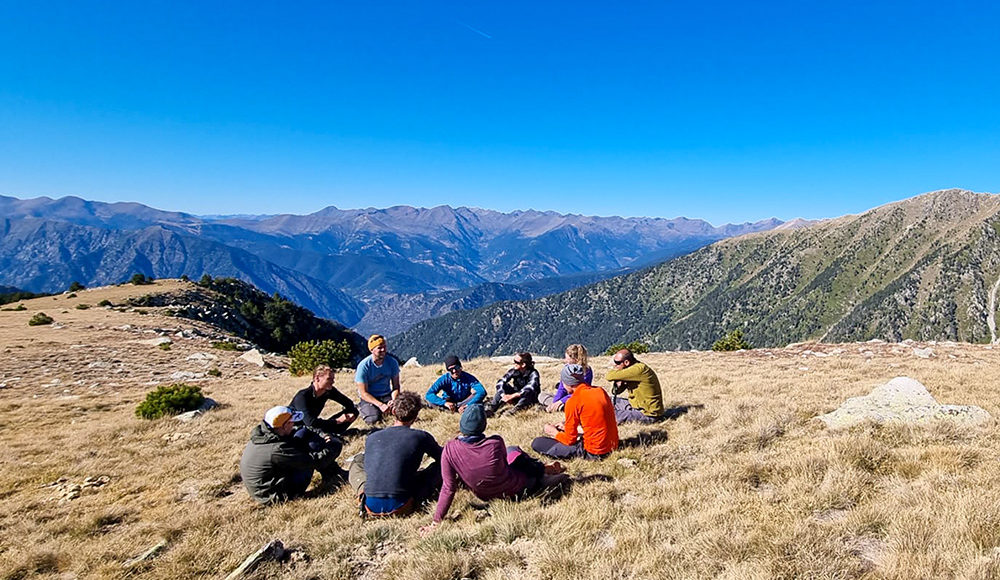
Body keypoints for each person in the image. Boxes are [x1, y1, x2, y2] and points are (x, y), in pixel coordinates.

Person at [421, 404, 566, 532]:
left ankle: (543, 470)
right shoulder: (495, 443)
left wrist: (436, 522)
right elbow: (505, 466)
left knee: (514, 455)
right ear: (483, 425)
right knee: (517, 455)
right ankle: (543, 474)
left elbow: (448, 487)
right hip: (516, 488)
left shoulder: (449, 449)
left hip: (484, 495)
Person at [348, 391, 442, 517]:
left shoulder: (372, 437)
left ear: (393, 411)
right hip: (403, 505)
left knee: (357, 461)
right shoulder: (421, 436)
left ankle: (363, 492)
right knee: (442, 465)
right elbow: (443, 457)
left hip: (370, 506)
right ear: (415, 416)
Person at [239, 405, 346, 504]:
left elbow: (303, 429)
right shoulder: (277, 449)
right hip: (276, 495)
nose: (294, 424)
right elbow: (314, 460)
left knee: (303, 434)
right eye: (291, 422)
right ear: (284, 426)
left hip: (267, 486)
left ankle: (332, 473)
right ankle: (335, 475)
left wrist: (323, 434)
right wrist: (333, 446)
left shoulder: (265, 435)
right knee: (312, 446)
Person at [531, 364, 619, 460]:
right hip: (613, 445)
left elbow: (569, 440)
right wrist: (566, 427)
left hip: (594, 452)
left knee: (537, 443)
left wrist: (554, 433)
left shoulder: (573, 401)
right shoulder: (600, 391)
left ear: (568, 384)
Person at [289, 365, 359, 436]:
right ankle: (329, 435)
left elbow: (348, 403)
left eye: (333, 379)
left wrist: (348, 416)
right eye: (329, 379)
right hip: (296, 430)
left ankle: (334, 433)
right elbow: (310, 422)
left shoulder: (328, 391)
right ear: (317, 378)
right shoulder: (302, 396)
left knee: (353, 411)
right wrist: (337, 421)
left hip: (315, 426)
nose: (333, 382)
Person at [604, 348, 665, 424]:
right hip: (635, 406)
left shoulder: (639, 370)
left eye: (617, 362)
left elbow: (609, 376)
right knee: (604, 400)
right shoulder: (631, 369)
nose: (615, 365)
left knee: (607, 415)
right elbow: (616, 391)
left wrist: (615, 370)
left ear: (626, 362)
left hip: (647, 414)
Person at [354, 334, 401, 425]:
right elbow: (363, 393)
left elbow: (396, 386)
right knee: (373, 420)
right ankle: (361, 408)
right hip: (370, 398)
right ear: (372, 350)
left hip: (386, 395)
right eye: (379, 348)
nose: (383, 350)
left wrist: (394, 400)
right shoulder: (364, 366)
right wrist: (380, 405)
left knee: (402, 412)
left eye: (384, 347)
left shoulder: (392, 362)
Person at [540, 344, 593, 413]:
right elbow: (561, 389)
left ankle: (562, 407)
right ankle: (561, 406)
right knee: (542, 395)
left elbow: (580, 393)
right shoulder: (569, 369)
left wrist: (560, 401)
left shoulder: (585, 371)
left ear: (575, 359)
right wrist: (555, 402)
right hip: (568, 398)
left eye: (567, 359)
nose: (565, 360)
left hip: (577, 398)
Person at [485, 352, 541, 416]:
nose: (514, 364)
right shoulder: (514, 371)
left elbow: (529, 388)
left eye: (516, 362)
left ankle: (515, 410)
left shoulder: (534, 374)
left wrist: (511, 396)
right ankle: (492, 408)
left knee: (527, 393)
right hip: (516, 396)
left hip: (529, 398)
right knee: (504, 386)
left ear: (523, 364)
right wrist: (504, 395)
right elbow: (500, 382)